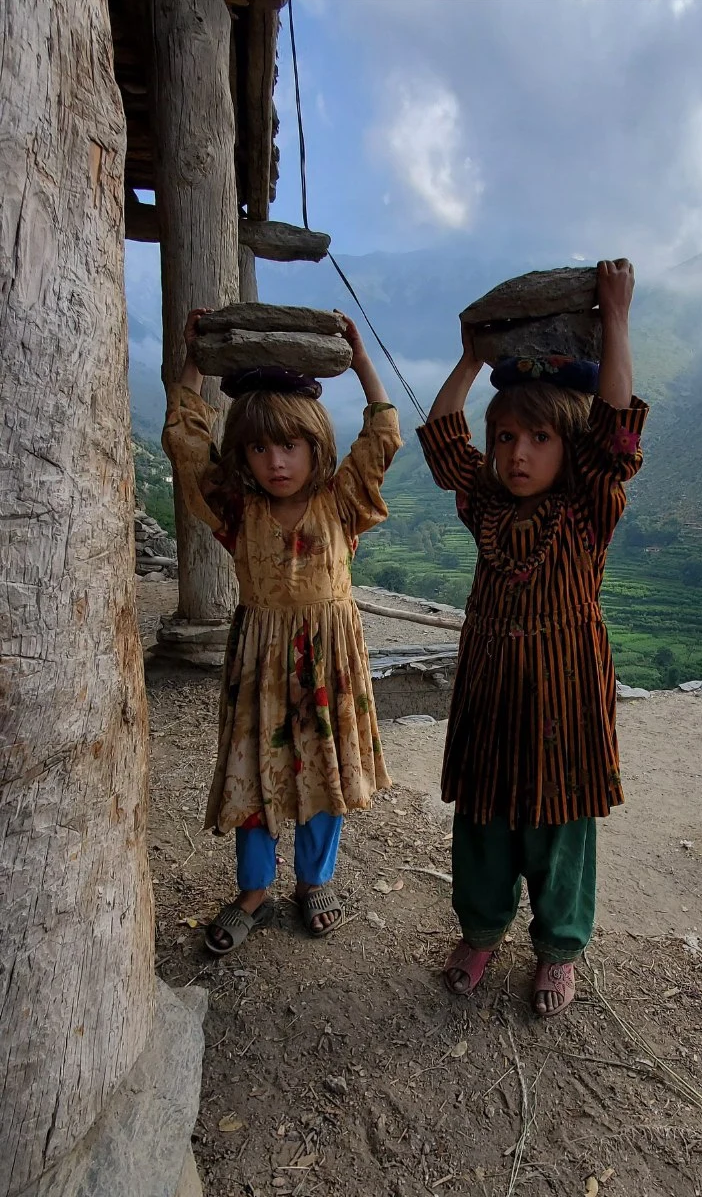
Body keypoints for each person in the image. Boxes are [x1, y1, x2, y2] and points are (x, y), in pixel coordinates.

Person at [416, 259, 647, 1017]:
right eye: (507, 436)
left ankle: (557, 951)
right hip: (490, 690)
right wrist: (470, 359)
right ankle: (480, 931)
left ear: (567, 446)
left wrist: (614, 315)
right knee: (482, 817)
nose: (517, 453)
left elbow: (615, 434)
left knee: (558, 825)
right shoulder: (484, 501)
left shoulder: (587, 508)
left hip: (564, 692)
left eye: (539, 438)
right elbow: (446, 438)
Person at [162, 309, 401, 955]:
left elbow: (381, 433)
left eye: (289, 445)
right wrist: (192, 357)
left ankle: (314, 880)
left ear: (314, 444)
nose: (275, 461)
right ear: (241, 453)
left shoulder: (341, 501)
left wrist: (358, 353)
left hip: (329, 662)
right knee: (256, 774)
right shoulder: (237, 511)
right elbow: (186, 441)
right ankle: (253, 888)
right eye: (259, 448)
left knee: (321, 771)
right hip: (262, 663)